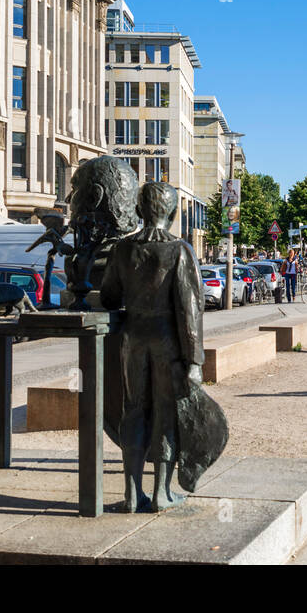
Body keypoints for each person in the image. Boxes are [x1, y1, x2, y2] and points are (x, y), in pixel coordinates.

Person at [101, 182, 219, 512]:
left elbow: (109, 296)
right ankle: (160, 492)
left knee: (134, 411)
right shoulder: (179, 250)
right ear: (173, 212)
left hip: (133, 338)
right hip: (167, 341)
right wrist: (194, 359)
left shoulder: (123, 249)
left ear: (139, 211)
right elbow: (189, 308)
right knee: (166, 415)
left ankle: (131, 491)